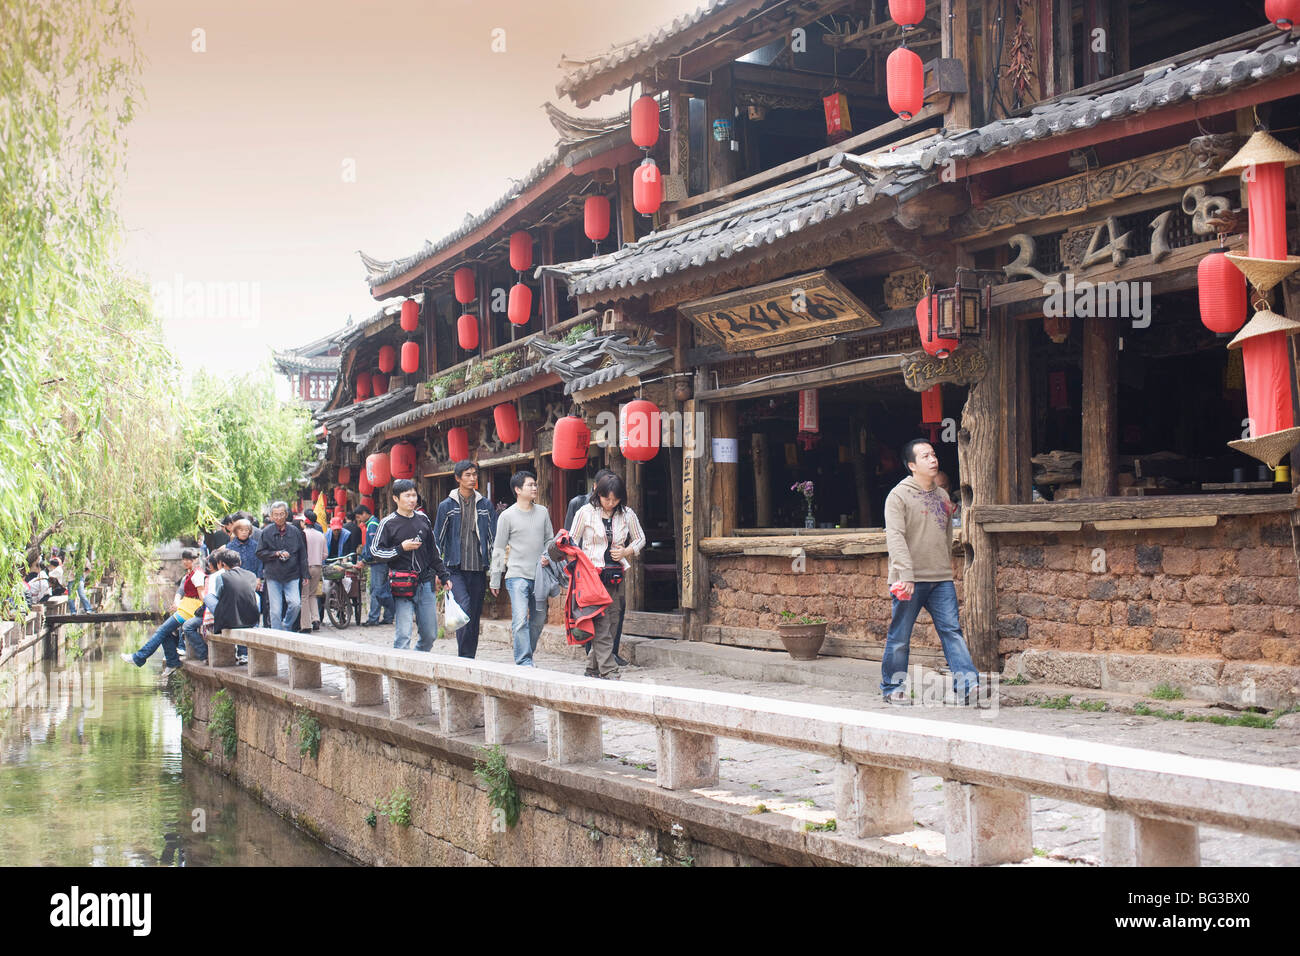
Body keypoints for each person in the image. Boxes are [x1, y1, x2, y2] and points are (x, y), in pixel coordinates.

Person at [881, 439, 980, 705]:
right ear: (912, 465)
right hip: (909, 580)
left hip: (940, 578)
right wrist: (905, 574)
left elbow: (946, 535)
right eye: (925, 456)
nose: (933, 459)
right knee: (900, 636)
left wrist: (945, 567)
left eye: (933, 454)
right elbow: (896, 537)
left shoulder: (943, 496)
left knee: (952, 631)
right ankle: (892, 688)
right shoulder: (898, 496)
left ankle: (968, 685)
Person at [569, 472, 646, 680]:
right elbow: (572, 541)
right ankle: (609, 669)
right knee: (601, 621)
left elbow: (640, 539)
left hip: (615, 575)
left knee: (613, 621)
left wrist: (625, 552)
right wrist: (581, 565)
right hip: (591, 575)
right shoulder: (585, 512)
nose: (611, 503)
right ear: (598, 493)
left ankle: (592, 667)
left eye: (615, 499)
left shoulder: (627, 514)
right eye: (607, 498)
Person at [370, 479, 451, 651]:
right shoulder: (388, 523)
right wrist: (401, 548)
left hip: (425, 582)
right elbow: (375, 552)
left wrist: (444, 575)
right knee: (403, 635)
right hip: (402, 584)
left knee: (430, 634)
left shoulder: (423, 519)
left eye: (414, 495)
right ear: (396, 499)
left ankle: (416, 663)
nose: (412, 499)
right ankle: (400, 675)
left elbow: (433, 550)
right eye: (407, 496)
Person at [489, 471, 554, 667]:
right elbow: (499, 548)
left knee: (538, 619)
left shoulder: (543, 512)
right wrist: (495, 578)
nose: (534, 488)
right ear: (518, 490)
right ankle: (524, 660)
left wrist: (547, 556)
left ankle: (527, 653)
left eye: (535, 484)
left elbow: (549, 540)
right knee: (519, 620)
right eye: (530, 485)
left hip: (540, 575)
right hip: (516, 575)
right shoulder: (506, 516)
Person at [433, 461, 497, 659]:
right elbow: (438, 539)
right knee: (464, 608)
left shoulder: (485, 505)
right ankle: (464, 657)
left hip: (478, 568)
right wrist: (438, 571)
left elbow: (493, 538)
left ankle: (470, 658)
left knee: (475, 615)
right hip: (454, 568)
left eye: (474, 474)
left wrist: (495, 570)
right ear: (458, 478)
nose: (472, 478)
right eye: (467, 475)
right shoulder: (447, 506)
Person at [120, 548, 203, 678]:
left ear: (196, 560)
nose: (187, 562)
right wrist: (177, 602)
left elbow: (201, 596)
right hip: (185, 609)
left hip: (189, 611)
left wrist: (200, 612)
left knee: (161, 630)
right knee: (166, 633)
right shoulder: (189, 574)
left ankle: (139, 658)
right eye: (185, 559)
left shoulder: (198, 574)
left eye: (190, 559)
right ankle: (172, 662)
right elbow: (182, 591)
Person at [256, 501, 308, 632]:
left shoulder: (295, 531)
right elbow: (260, 553)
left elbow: (303, 554)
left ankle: (287, 626)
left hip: (292, 574)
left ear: (286, 514)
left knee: (295, 604)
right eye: (276, 515)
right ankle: (277, 635)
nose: (279, 517)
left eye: (281, 514)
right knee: (275, 610)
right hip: (273, 575)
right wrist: (276, 553)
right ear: (272, 516)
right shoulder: (266, 532)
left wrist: (305, 574)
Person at [204, 549, 261, 635]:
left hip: (229, 620)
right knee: (256, 596)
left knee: (208, 597)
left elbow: (220, 597)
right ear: (240, 562)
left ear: (223, 564)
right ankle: (256, 624)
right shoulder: (252, 575)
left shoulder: (221, 577)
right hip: (250, 620)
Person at [357, 503, 394, 627]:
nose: (359, 520)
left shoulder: (372, 525)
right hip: (380, 562)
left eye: (359, 517)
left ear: (364, 514)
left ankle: (373, 618)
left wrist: (364, 560)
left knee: (376, 591)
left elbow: (373, 547)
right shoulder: (373, 523)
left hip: (378, 563)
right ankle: (388, 616)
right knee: (383, 590)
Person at [300, 509, 327, 632]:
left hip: (306, 567)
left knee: (304, 596)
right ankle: (315, 619)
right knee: (312, 594)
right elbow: (325, 554)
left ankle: (306, 625)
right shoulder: (321, 535)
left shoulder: (302, 534)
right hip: (317, 567)